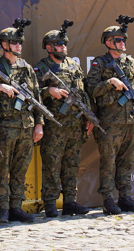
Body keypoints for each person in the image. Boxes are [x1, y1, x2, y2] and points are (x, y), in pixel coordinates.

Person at [0, 19, 44, 224]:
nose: (19, 45)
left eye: (20, 42)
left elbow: (36, 97)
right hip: (3, 127)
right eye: (15, 42)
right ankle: (3, 209)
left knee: (20, 169)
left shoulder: (26, 68)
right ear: (4, 44)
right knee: (2, 169)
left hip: (25, 126)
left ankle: (16, 207)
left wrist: (39, 123)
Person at [85, 16, 134, 214]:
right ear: (108, 42)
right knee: (109, 162)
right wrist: (109, 82)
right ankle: (108, 199)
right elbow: (91, 90)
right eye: (118, 40)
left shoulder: (131, 63)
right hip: (110, 122)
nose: (122, 43)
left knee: (126, 162)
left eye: (124, 40)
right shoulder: (99, 64)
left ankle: (125, 197)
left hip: (130, 120)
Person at [34, 21, 92, 217]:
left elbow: (84, 93)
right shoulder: (42, 68)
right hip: (54, 126)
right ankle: (50, 203)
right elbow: (32, 96)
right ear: (49, 47)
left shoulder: (74, 66)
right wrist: (48, 91)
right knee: (51, 165)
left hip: (75, 125)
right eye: (59, 45)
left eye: (64, 44)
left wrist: (89, 116)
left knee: (71, 164)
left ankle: (70, 201)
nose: (63, 48)